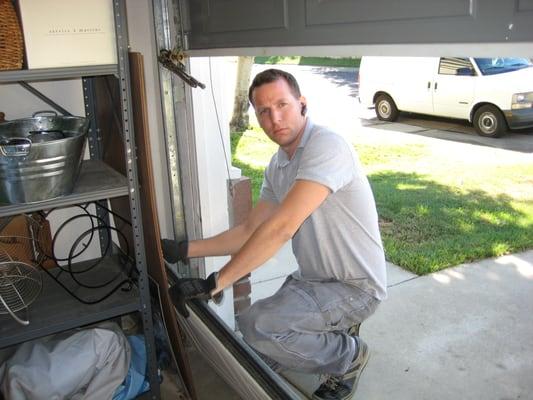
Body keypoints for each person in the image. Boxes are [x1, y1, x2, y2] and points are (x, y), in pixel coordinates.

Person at [162, 68, 387, 400]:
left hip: (355, 285)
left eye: (282, 104)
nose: (275, 118)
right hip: (311, 280)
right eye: (264, 111)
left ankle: (349, 355)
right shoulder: (278, 165)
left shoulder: (327, 147)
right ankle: (333, 327)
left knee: (259, 326)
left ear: (302, 104)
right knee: (258, 353)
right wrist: (183, 250)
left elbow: (281, 228)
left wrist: (215, 283)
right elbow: (251, 230)